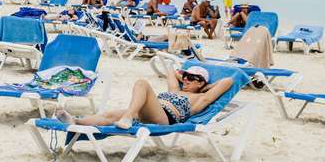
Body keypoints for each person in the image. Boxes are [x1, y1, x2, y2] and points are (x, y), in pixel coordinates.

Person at [55, 65, 233, 129]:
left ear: (201, 83)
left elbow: (228, 81)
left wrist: (205, 86)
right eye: (185, 76)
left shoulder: (200, 99)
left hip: (166, 118)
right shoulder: (176, 90)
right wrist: (185, 75)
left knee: (142, 83)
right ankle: (75, 122)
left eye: (192, 78)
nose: (185, 79)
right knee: (108, 115)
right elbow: (171, 70)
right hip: (148, 111)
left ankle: (129, 116)